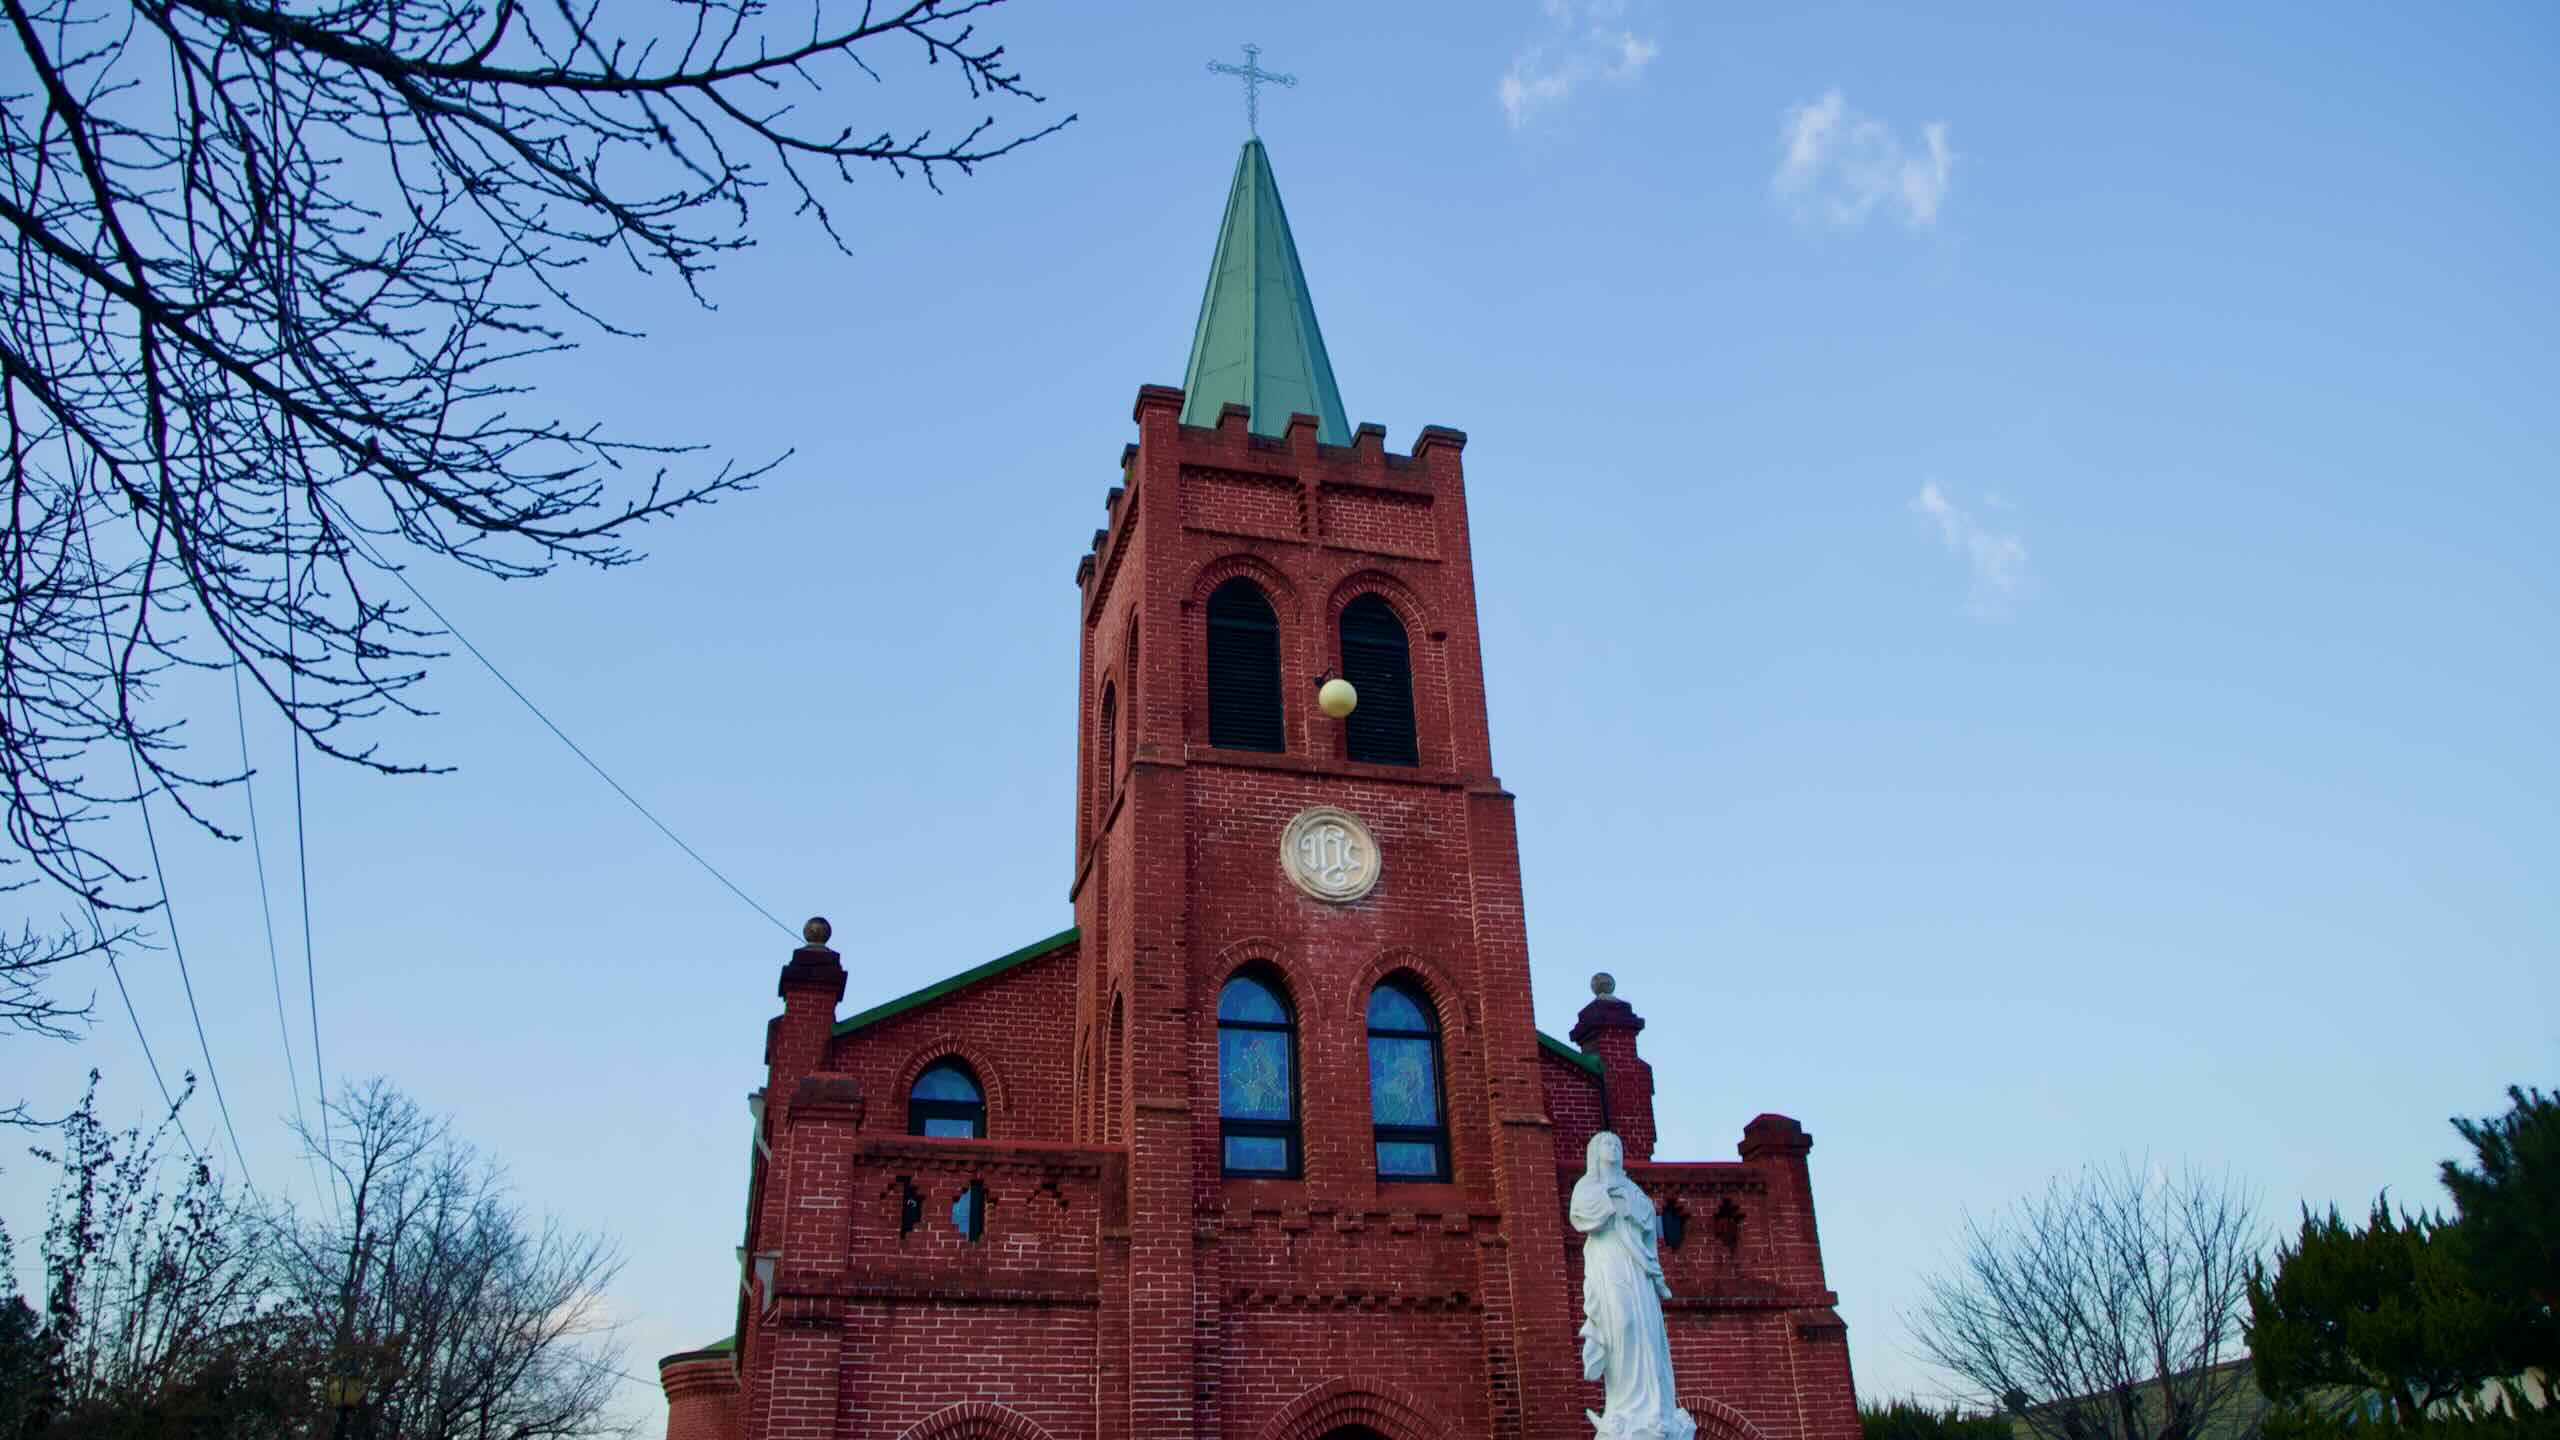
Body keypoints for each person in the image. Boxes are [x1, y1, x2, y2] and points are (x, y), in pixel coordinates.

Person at [1571, 1130, 1696, 1440]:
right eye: (1606, 1144)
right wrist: (1609, 1199)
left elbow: (1649, 1231)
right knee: (1621, 1325)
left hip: (1637, 1269)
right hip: (1608, 1261)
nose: (1612, 1148)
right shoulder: (1588, 1187)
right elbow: (1581, 1216)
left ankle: (1653, 1406)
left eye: (1617, 1143)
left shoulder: (1634, 1190)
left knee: (1646, 1331)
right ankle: (1623, 1405)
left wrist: (1656, 1275)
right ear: (1595, 1153)